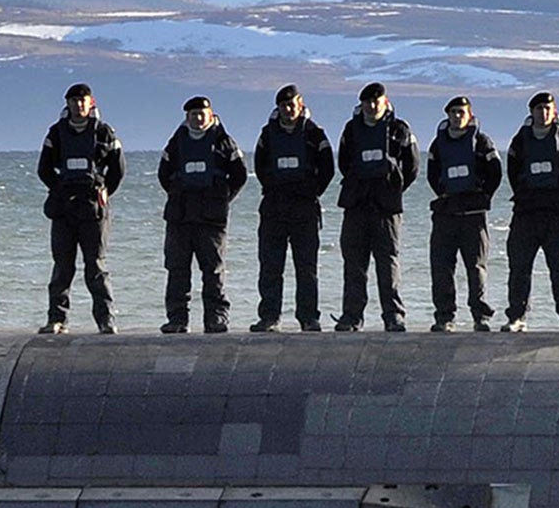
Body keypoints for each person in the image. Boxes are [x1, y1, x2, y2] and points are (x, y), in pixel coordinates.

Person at [37, 81, 125, 332]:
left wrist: (104, 191)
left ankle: (106, 321)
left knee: (95, 266)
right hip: (64, 209)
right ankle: (57, 319)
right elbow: (44, 169)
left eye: (83, 101)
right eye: (74, 101)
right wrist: (59, 189)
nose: (78, 105)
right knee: (62, 267)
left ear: (91, 103)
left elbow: (118, 169)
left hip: (93, 210)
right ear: (67, 104)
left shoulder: (104, 132)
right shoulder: (56, 133)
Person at [156, 95, 247, 333]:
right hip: (180, 217)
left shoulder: (224, 141)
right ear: (187, 117)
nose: (197, 118)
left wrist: (222, 200)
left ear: (211, 114)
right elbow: (164, 174)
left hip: (211, 218)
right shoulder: (176, 142)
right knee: (177, 270)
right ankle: (177, 319)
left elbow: (239, 175)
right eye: (193, 114)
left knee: (213, 269)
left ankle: (216, 318)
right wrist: (179, 196)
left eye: (201, 114)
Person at [250, 84, 335, 332]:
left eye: (292, 104)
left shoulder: (315, 133)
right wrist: (275, 188)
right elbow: (260, 164)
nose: (289, 109)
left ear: (301, 104)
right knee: (270, 267)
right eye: (284, 105)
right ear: (278, 108)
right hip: (274, 209)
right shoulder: (267, 134)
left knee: (306, 268)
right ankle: (269, 317)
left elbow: (328, 168)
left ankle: (309, 318)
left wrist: (311, 191)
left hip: (305, 209)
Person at [335, 81, 419, 331]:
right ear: (361, 104)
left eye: (376, 101)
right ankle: (351, 316)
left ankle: (393, 315)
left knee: (388, 262)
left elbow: (412, 167)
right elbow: (343, 162)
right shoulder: (351, 129)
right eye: (367, 102)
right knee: (354, 264)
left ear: (385, 101)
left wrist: (393, 189)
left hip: (386, 208)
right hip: (357, 206)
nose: (372, 106)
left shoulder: (399, 129)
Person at [502, 91, 559, 332]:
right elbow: (513, 173)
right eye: (539, 108)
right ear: (531, 112)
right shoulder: (520, 140)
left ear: (554, 111)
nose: (543, 112)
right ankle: (516, 317)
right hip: (526, 214)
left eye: (548, 108)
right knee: (519, 268)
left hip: (556, 215)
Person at [426, 94, 502, 332]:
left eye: (462, 112)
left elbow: (495, 172)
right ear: (447, 116)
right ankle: (444, 317)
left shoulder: (482, 142)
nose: (457, 117)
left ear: (470, 115)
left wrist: (483, 196)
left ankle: (481, 317)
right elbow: (431, 174)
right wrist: (444, 193)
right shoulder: (438, 144)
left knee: (476, 267)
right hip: (446, 214)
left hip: (474, 215)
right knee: (442, 267)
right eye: (453, 113)